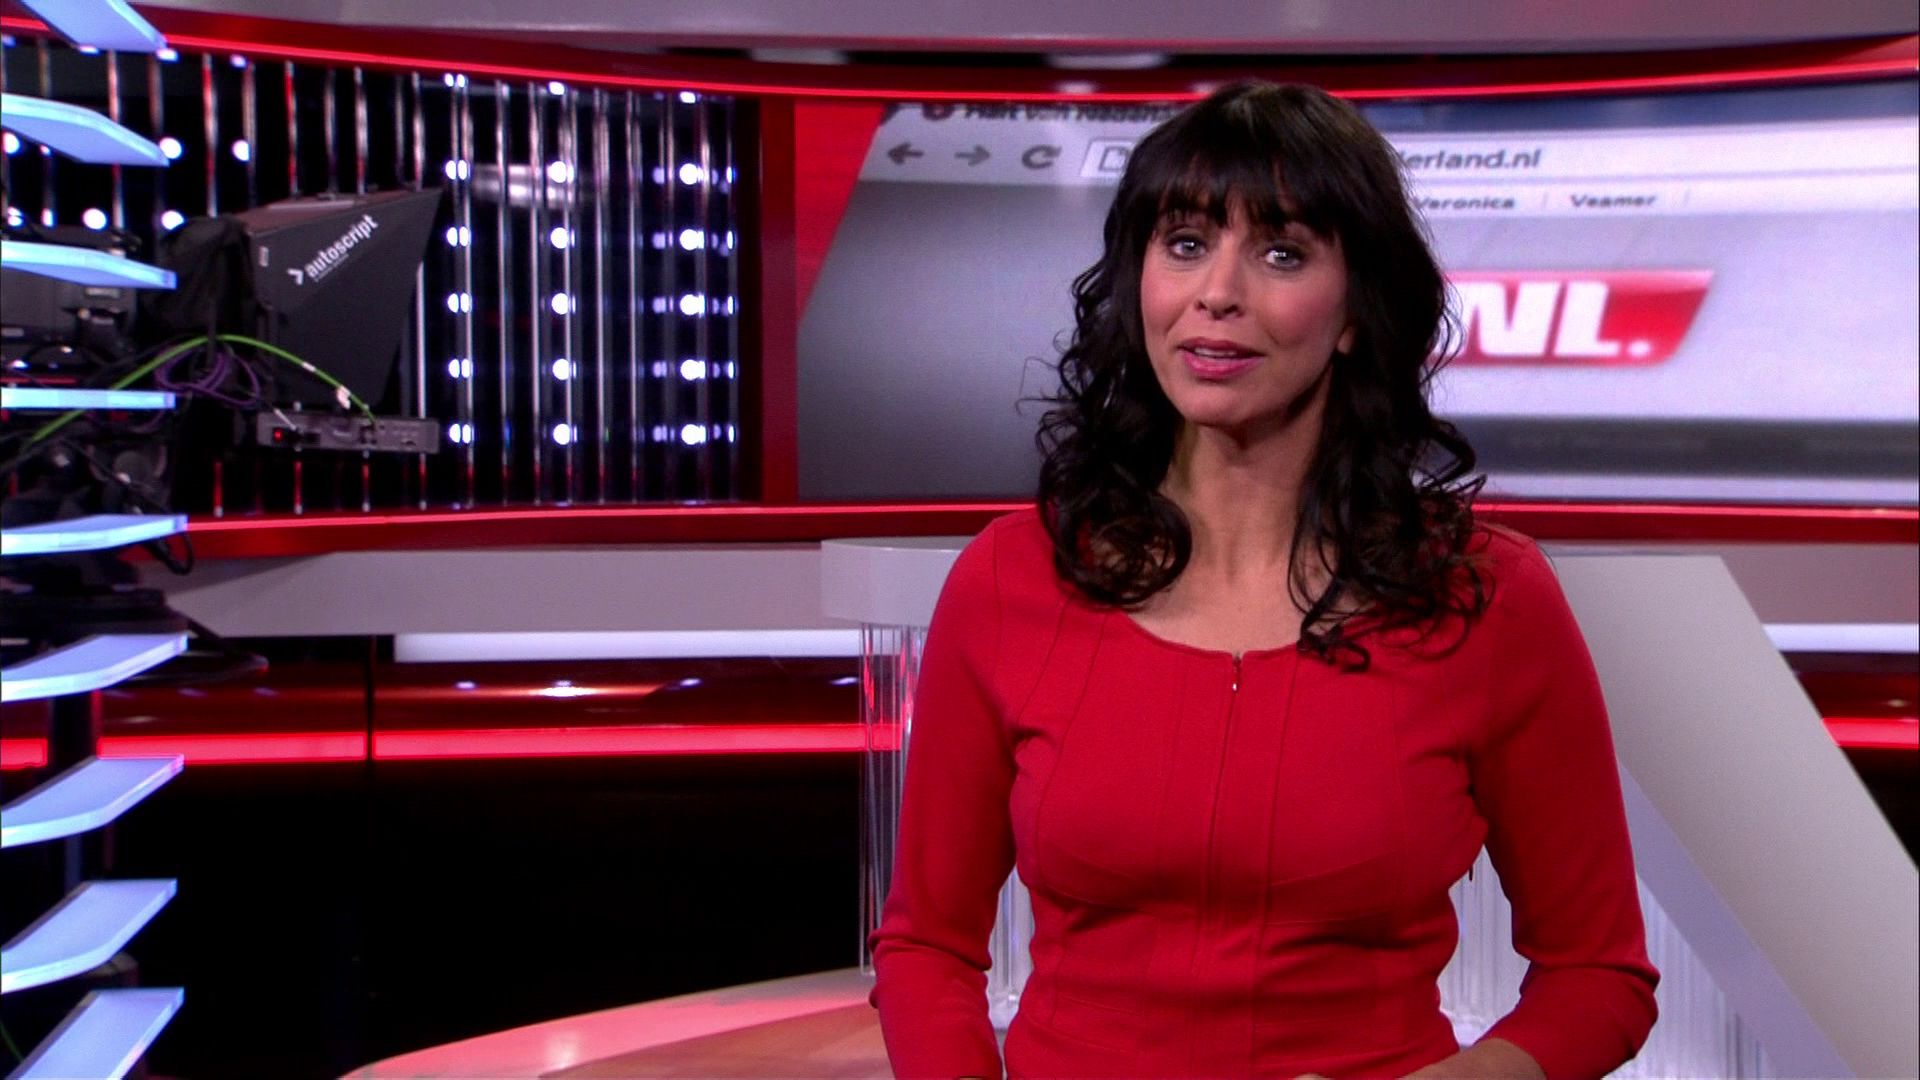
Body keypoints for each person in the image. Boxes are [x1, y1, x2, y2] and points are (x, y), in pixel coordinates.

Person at [867, 80, 1658, 1079]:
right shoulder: (1009, 578)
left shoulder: (1486, 595)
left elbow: (1598, 973)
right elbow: (927, 946)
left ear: (1355, 312)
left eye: (1282, 253)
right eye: (1185, 243)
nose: (1218, 292)